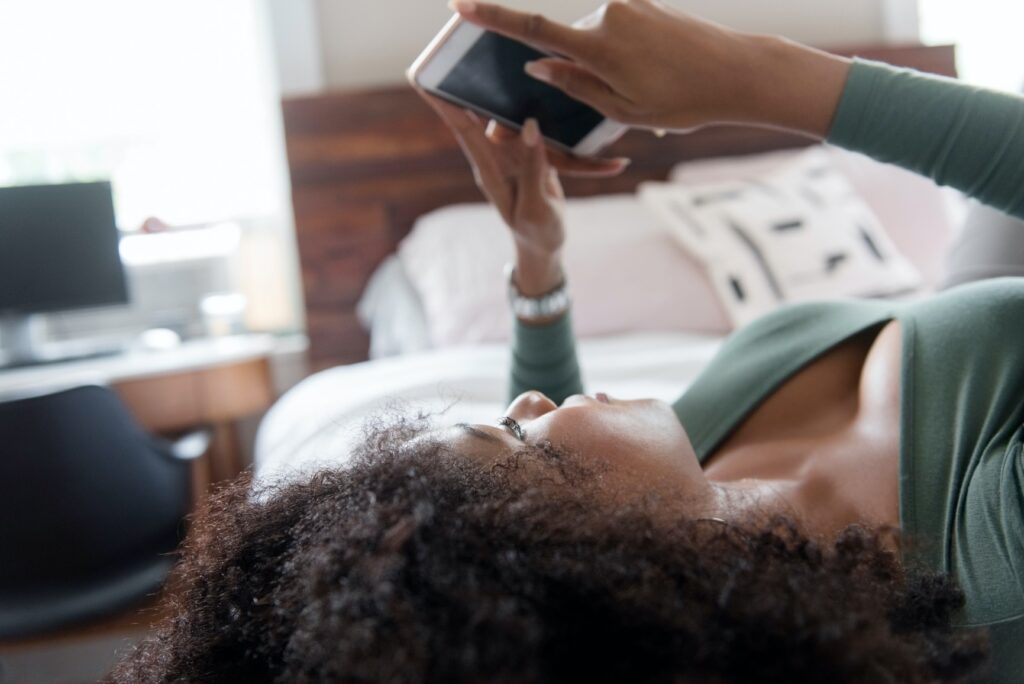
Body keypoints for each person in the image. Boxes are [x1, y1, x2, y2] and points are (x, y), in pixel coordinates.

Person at [113, 1, 1023, 681]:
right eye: (516, 436)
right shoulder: (985, 556)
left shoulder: (690, 508)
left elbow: (553, 467)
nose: (525, 401)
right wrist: (755, 78)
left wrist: (538, 264)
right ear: (591, 558)